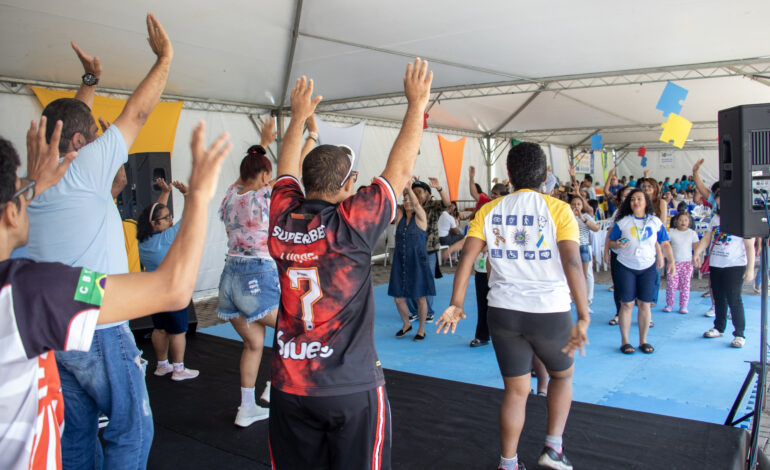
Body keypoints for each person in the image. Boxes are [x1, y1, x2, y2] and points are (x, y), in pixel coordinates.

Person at [0, 116, 231, 470]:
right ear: (12, 212)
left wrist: (34, 184)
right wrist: (198, 197)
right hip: (101, 333)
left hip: (69, 346)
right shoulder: (31, 289)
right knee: (131, 430)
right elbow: (173, 290)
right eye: (22, 193)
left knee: (77, 431)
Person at [266, 59, 432, 470]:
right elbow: (401, 170)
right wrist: (416, 106)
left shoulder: (282, 216)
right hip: (349, 387)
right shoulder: (351, 224)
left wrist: (299, 120)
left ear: (304, 184)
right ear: (346, 186)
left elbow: (284, 169)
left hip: (290, 387)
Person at [25, 16, 174, 469]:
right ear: (78, 143)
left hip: (54, 326)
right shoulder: (86, 166)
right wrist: (165, 58)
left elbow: (69, 124)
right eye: (91, 137)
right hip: (98, 322)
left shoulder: (34, 181)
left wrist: (88, 83)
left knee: (77, 432)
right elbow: (137, 113)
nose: (98, 142)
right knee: (133, 430)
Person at [436, 142, 589, 470]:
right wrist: (585, 314)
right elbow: (573, 264)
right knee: (562, 377)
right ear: (546, 174)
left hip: (503, 312)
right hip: (549, 312)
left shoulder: (489, 210)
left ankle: (508, 463)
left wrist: (456, 303)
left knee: (516, 390)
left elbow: (467, 256)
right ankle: (553, 449)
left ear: (509, 174)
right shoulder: (559, 209)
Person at [216, 117, 289, 426]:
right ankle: (275, 386)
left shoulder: (230, 197)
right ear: (266, 174)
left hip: (229, 278)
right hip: (256, 277)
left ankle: (247, 408)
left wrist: (262, 144)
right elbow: (285, 177)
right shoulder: (266, 196)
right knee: (294, 326)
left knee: (254, 343)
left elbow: (245, 176)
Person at [137, 178, 199, 382]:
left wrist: (164, 193)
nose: (171, 220)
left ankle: (162, 365)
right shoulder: (167, 237)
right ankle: (179, 369)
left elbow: (154, 214)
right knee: (178, 331)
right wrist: (188, 195)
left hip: (152, 291)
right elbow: (191, 216)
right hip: (172, 290)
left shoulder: (144, 239)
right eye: (167, 218)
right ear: (156, 223)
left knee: (160, 328)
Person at [607, 189, 675, 354]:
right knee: (627, 304)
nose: (635, 202)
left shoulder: (655, 222)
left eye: (639, 199)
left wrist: (671, 261)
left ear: (646, 202)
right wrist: (618, 245)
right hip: (626, 266)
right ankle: (625, 341)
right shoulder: (623, 222)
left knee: (645, 304)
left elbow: (664, 243)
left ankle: (643, 340)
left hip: (647, 267)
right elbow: (610, 242)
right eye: (632, 200)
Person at [694, 194, 755, 348]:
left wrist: (750, 269)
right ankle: (719, 327)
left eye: (724, 201)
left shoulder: (742, 220)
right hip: (716, 264)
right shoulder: (715, 220)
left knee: (734, 298)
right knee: (719, 297)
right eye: (718, 202)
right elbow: (707, 238)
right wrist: (697, 253)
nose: (720, 204)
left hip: (734, 265)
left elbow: (749, 246)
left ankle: (739, 334)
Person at [389, 184, 435, 341]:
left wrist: (408, 187)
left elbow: (416, 204)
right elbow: (390, 204)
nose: (407, 201)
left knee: (420, 298)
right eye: (405, 199)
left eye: (410, 199)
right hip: (400, 261)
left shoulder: (421, 216)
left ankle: (421, 329)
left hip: (417, 262)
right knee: (398, 298)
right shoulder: (400, 216)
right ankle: (406, 324)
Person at [407, 177, 448, 321]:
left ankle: (428, 312)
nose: (417, 194)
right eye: (414, 192)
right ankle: (414, 311)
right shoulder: (408, 206)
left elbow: (447, 204)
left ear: (427, 195)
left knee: (426, 281)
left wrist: (439, 188)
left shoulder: (433, 206)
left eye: (420, 192)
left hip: (429, 251)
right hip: (411, 251)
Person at [604, 185, 633, 325]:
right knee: (619, 284)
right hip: (618, 253)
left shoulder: (644, 215)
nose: (628, 199)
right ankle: (619, 313)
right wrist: (606, 251)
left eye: (631, 196)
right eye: (625, 196)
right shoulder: (618, 213)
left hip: (637, 255)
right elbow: (609, 233)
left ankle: (645, 315)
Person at [664, 212, 699, 314]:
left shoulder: (692, 233)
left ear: (689, 222)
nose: (683, 222)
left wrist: (696, 258)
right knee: (671, 284)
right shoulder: (671, 232)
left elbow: (696, 247)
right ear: (676, 221)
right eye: (681, 220)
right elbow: (666, 245)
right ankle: (669, 304)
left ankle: (683, 305)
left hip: (687, 263)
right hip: (673, 263)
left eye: (686, 220)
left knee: (685, 285)